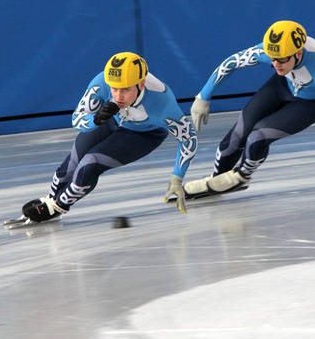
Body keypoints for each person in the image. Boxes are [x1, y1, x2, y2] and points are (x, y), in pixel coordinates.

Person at [167, 20, 315, 201]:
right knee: (235, 137)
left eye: (282, 59)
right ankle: (217, 180)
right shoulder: (273, 53)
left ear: (298, 53)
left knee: (258, 137)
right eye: (272, 59)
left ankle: (241, 176)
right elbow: (230, 63)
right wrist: (202, 97)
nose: (275, 64)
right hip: (282, 86)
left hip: (313, 103)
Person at [21, 51, 197, 221]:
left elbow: (188, 139)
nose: (118, 96)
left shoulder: (162, 104)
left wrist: (177, 178)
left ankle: (58, 206)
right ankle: (50, 198)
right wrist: (95, 120)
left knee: (89, 164)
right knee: (73, 161)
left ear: (141, 84)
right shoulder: (102, 81)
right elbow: (76, 119)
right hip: (110, 118)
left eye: (126, 90)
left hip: (145, 133)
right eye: (114, 89)